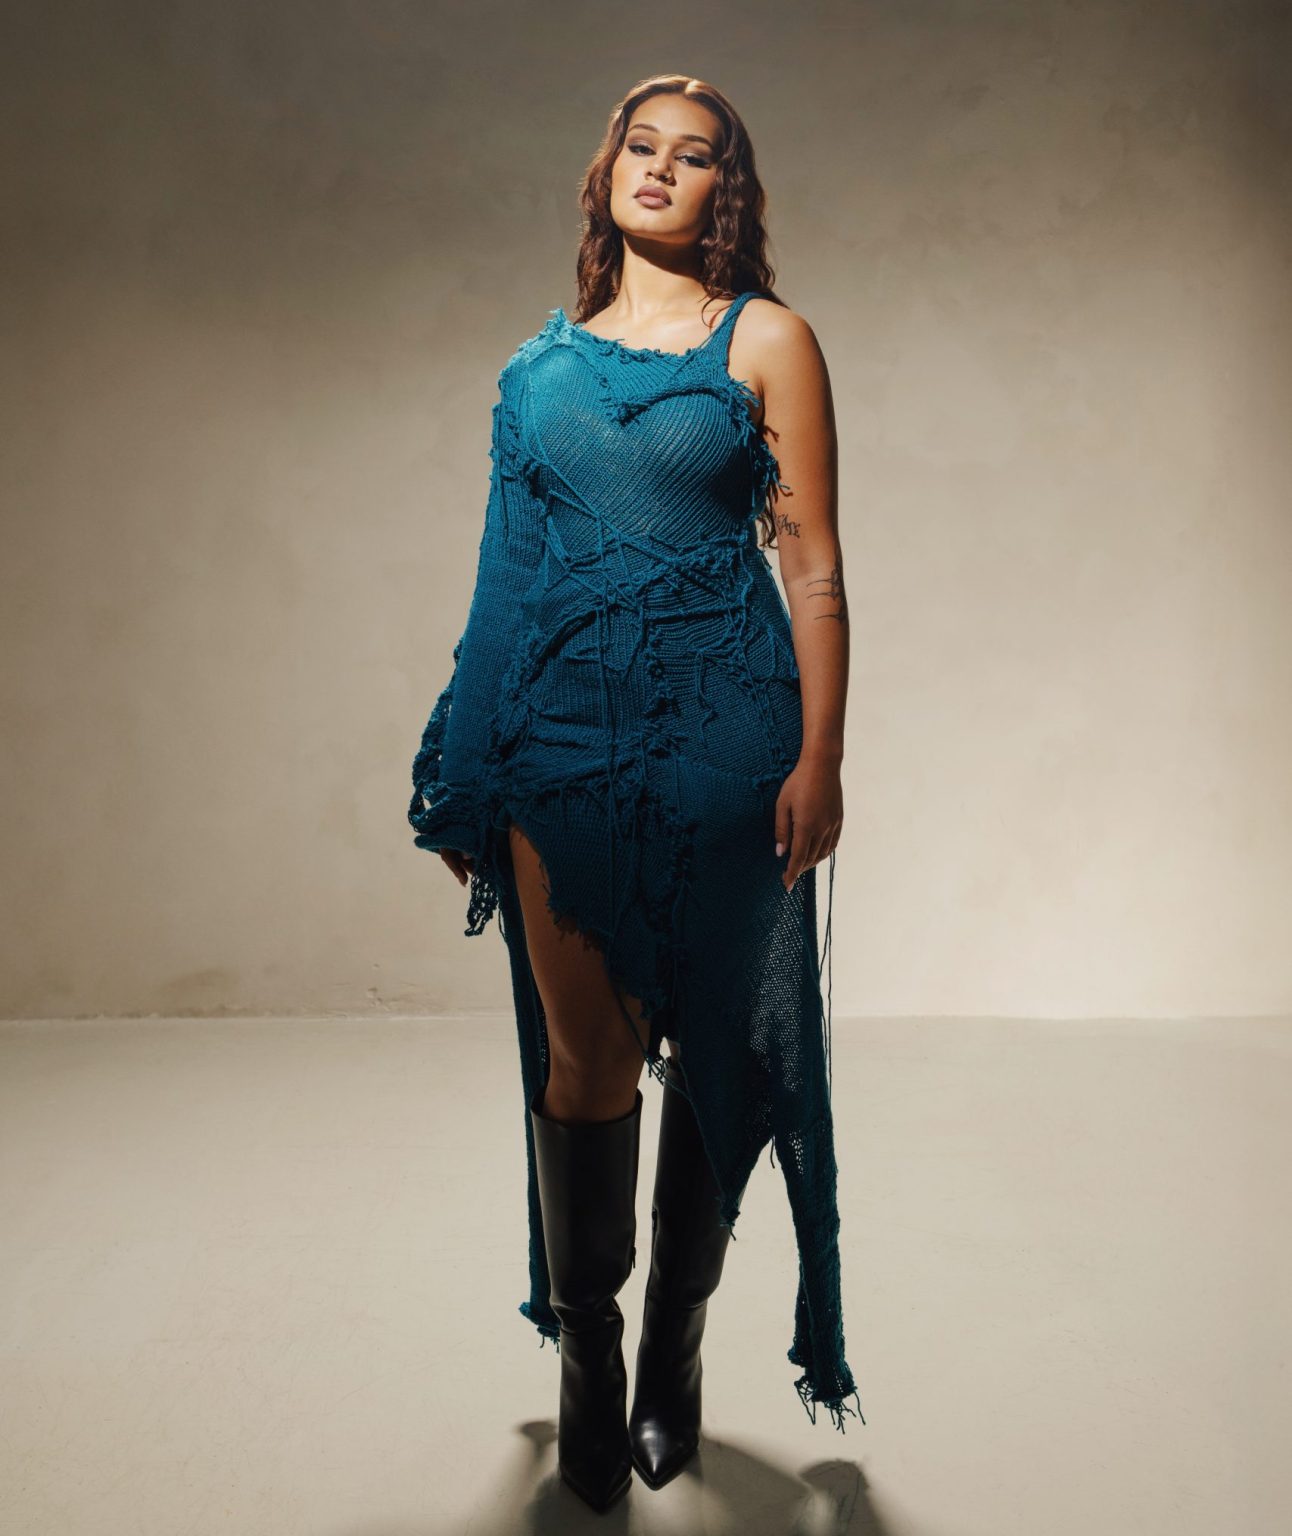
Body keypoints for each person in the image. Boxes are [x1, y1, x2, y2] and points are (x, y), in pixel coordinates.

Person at [407, 72, 863, 1512]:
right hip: (558, 752)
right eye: (641, 146)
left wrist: (822, 757)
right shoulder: (536, 371)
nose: (661, 168)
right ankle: (590, 1367)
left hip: (730, 746)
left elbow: (814, 564)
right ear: (607, 170)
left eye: (695, 154)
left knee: (714, 1055)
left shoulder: (766, 340)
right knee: (587, 1062)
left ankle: (676, 1352)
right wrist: (464, 766)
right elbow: (504, 578)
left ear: (728, 188)